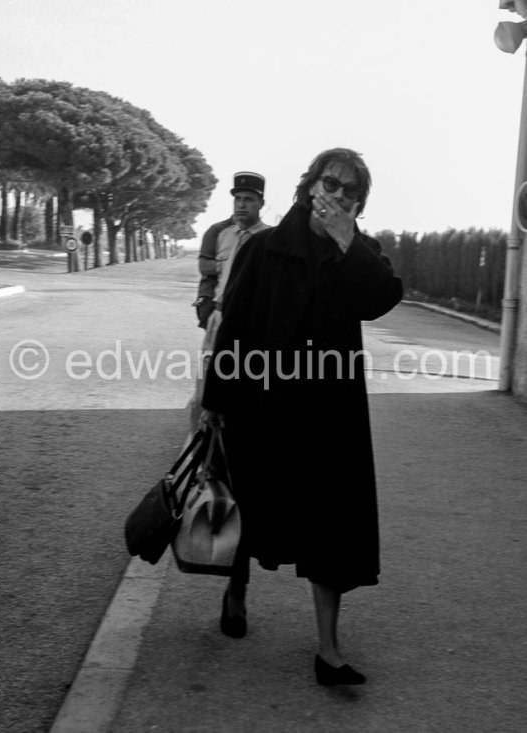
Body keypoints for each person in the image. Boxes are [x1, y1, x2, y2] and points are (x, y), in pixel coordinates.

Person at [201, 148, 403, 686]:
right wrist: (214, 404)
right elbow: (235, 325)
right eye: (329, 184)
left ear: (359, 204)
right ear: (308, 185)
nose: (336, 196)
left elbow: (384, 296)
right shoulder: (265, 248)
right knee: (250, 509)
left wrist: (346, 243)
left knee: (332, 526)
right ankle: (236, 591)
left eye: (349, 192)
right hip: (262, 407)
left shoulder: (358, 252)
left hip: (330, 415)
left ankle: (328, 650)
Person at [189, 172, 270, 427]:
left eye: (249, 200)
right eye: (238, 199)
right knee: (205, 387)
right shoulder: (224, 235)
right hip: (218, 317)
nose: (242, 205)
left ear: (261, 204)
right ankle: (200, 452)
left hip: (248, 325)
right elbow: (209, 270)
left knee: (237, 390)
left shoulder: (269, 240)